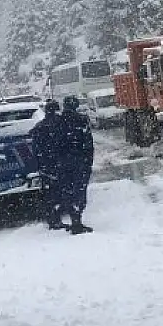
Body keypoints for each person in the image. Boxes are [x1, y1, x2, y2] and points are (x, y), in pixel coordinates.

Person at [57, 95, 95, 234]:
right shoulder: (82, 120)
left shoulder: (58, 122)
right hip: (80, 162)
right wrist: (88, 161)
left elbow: (54, 145)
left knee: (67, 190)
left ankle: (73, 218)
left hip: (63, 163)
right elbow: (88, 144)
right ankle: (77, 221)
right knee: (80, 190)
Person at [30, 99, 66, 230]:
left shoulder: (39, 127)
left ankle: (52, 218)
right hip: (60, 164)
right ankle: (57, 217)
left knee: (49, 193)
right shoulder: (62, 124)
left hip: (47, 166)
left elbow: (35, 149)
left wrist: (39, 165)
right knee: (61, 192)